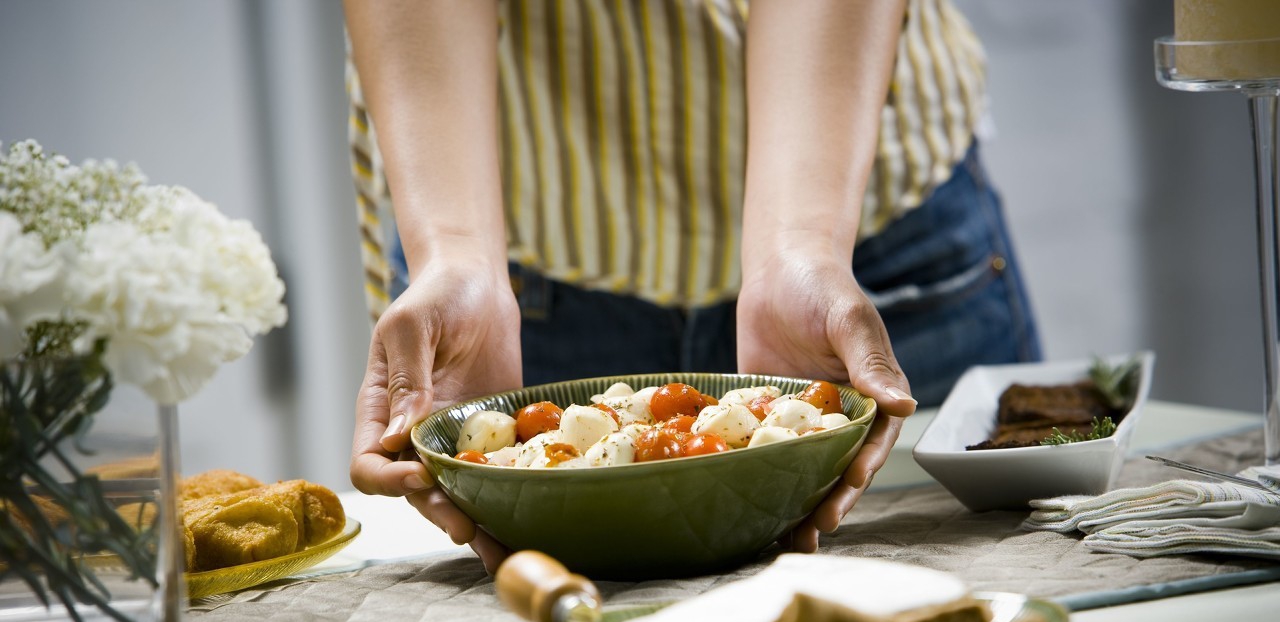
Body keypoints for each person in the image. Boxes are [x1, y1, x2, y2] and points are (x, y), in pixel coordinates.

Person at [343, 0, 1041, 571]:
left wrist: (802, 243)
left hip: (863, 224)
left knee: (1000, 573)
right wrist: (456, 256)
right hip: (522, 267)